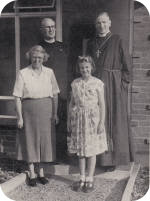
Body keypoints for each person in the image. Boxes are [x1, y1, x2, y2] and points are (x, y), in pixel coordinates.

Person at [86, 12, 134, 171]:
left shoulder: (118, 39)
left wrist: (121, 87)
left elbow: (127, 67)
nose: (101, 25)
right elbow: (86, 65)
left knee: (113, 120)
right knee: (97, 119)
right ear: (95, 25)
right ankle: (98, 159)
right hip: (95, 86)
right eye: (98, 23)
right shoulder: (91, 42)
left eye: (104, 22)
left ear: (110, 23)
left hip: (113, 86)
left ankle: (112, 161)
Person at [13, 45, 60, 187]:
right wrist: (20, 117)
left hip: (46, 110)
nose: (37, 60)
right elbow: (17, 97)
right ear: (30, 57)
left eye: (40, 57)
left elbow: (55, 94)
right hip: (29, 111)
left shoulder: (49, 72)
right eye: (34, 57)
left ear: (44, 58)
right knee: (30, 140)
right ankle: (32, 173)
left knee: (44, 142)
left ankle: (41, 173)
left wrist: (55, 113)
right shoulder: (23, 73)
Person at [67, 56, 107, 193]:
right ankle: (82, 178)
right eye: (82, 68)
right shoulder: (75, 83)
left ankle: (90, 178)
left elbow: (102, 104)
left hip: (92, 120)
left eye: (87, 67)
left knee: (91, 150)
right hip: (78, 120)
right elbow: (71, 103)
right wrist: (69, 120)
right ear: (79, 69)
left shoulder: (97, 83)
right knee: (81, 151)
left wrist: (101, 122)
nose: (85, 70)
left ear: (91, 68)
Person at [39, 17, 68, 161]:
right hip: (47, 94)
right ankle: (50, 157)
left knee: (62, 126)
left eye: (53, 26)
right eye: (47, 27)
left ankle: (62, 156)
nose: (51, 29)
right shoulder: (39, 49)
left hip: (63, 94)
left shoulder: (62, 47)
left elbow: (68, 70)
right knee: (50, 126)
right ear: (42, 29)